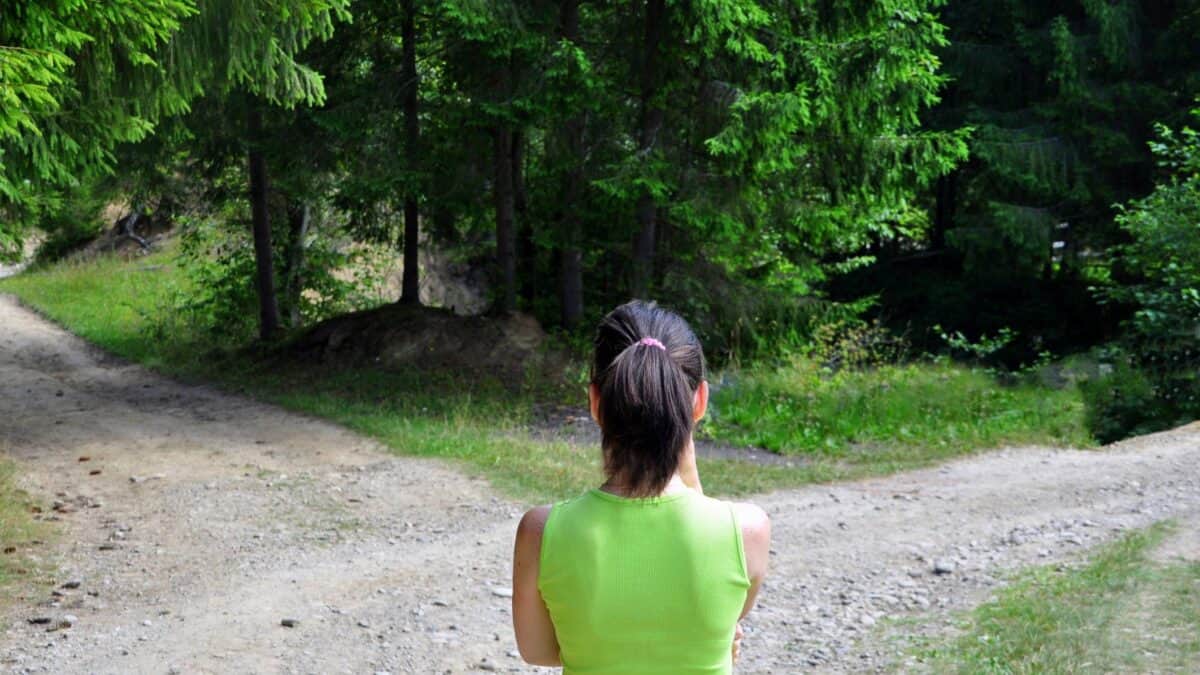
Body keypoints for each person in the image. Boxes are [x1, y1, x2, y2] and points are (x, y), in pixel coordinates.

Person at [512, 300, 771, 673]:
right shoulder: (748, 531)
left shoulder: (540, 532)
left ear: (595, 402)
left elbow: (537, 651)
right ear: (699, 401)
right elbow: (719, 625)